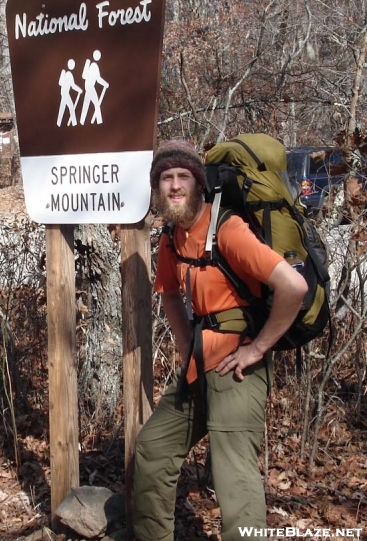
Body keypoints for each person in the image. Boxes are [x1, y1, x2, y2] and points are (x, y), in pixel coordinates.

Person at [133, 138, 308, 541]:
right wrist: (181, 345)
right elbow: (170, 295)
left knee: (234, 478)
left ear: (198, 184)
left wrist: (258, 348)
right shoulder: (170, 237)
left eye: (182, 177)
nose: (174, 186)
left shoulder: (226, 229)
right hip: (199, 360)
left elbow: (293, 287)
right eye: (165, 178)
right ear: (157, 188)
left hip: (237, 366)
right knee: (152, 449)